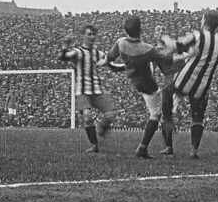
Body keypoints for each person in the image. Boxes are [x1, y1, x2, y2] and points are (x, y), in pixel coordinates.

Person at [101, 16, 186, 159]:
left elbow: (109, 58)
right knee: (157, 114)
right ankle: (143, 148)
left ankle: (165, 146)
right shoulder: (147, 49)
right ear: (141, 30)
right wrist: (189, 55)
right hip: (148, 85)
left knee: (161, 113)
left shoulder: (120, 42)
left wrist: (105, 62)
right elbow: (168, 59)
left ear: (125, 30)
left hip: (136, 82)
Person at [162, 10, 218, 158]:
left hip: (183, 80)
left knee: (166, 100)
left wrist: (165, 38)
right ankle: (193, 150)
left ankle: (168, 146)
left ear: (204, 21)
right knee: (197, 117)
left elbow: (175, 45)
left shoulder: (198, 35)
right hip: (203, 85)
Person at [59, 24, 118, 153]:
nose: (91, 37)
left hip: (97, 89)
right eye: (89, 34)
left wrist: (129, 65)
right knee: (87, 116)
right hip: (82, 91)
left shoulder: (99, 53)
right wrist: (65, 46)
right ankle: (94, 145)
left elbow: (112, 65)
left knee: (111, 114)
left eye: (93, 34)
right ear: (83, 36)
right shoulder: (77, 52)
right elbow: (62, 57)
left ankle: (101, 129)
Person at [153, 25, 184, 155]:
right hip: (167, 82)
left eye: (163, 30)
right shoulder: (153, 51)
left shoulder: (173, 47)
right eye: (158, 30)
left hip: (176, 80)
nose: (161, 32)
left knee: (166, 116)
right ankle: (169, 146)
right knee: (165, 117)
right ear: (154, 35)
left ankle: (169, 146)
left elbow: (183, 61)